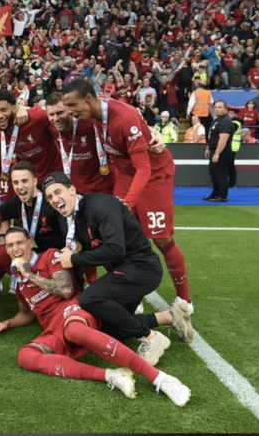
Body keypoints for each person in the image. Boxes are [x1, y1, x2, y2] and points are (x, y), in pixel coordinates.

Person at [0, 226, 191, 407]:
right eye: (10, 245)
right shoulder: (18, 278)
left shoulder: (49, 256)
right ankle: (112, 375)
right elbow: (26, 314)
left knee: (74, 330)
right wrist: (7, 323)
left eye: (19, 243)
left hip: (74, 308)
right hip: (53, 326)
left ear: (30, 242)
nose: (15, 248)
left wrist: (30, 274)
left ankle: (161, 379)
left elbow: (66, 291)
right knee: (25, 356)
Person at [61, 79, 193, 313]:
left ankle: (184, 300)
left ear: (89, 99)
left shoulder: (124, 118)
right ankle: (130, 293)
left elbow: (144, 168)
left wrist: (125, 204)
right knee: (117, 236)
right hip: (124, 174)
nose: (70, 112)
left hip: (154, 176)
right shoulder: (94, 110)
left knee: (162, 239)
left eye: (72, 106)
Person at [42, 172, 194, 368]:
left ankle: (151, 337)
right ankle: (171, 317)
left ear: (72, 189)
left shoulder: (100, 205)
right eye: (50, 197)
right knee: (107, 328)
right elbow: (81, 254)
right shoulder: (68, 218)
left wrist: (74, 259)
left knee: (89, 299)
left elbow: (115, 249)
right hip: (123, 272)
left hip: (142, 268)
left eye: (58, 192)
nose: (54, 199)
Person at [0, 88, 63, 183]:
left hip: (56, 174)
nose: (0, 116)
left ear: (14, 108)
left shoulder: (37, 117)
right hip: (30, 180)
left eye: (4, 110)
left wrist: (25, 107)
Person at [44, 92, 115, 195]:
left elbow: (109, 105)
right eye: (51, 114)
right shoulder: (49, 125)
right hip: (77, 191)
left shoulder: (89, 120)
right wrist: (20, 107)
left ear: (70, 109)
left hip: (105, 187)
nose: (56, 119)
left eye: (60, 113)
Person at [204, 101, 234, 202]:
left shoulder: (225, 121)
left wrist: (217, 153)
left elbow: (223, 139)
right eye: (216, 107)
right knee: (213, 173)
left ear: (226, 109)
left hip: (222, 152)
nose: (216, 109)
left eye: (220, 107)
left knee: (221, 174)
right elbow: (212, 136)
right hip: (214, 150)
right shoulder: (217, 120)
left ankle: (222, 195)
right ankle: (215, 193)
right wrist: (208, 148)